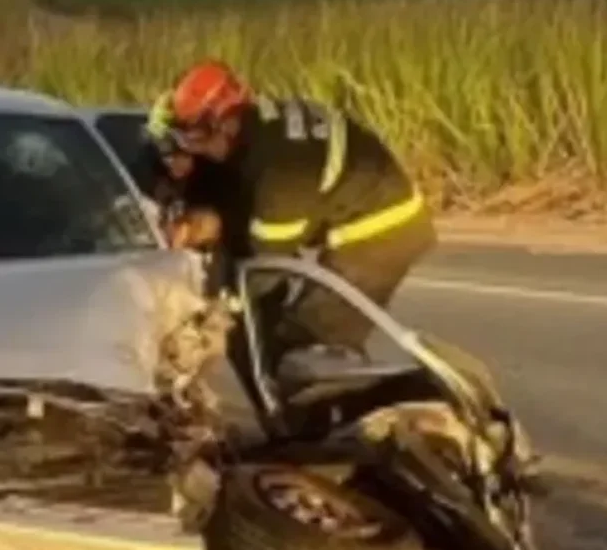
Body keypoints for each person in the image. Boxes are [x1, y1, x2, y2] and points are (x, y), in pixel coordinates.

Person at [156, 59, 437, 359]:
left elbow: (265, 266)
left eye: (197, 135)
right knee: (271, 337)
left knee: (312, 342)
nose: (192, 148)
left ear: (226, 122)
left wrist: (216, 315)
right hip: (355, 206)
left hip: (384, 229)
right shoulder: (255, 125)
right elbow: (228, 182)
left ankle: (347, 386)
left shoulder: (281, 175)